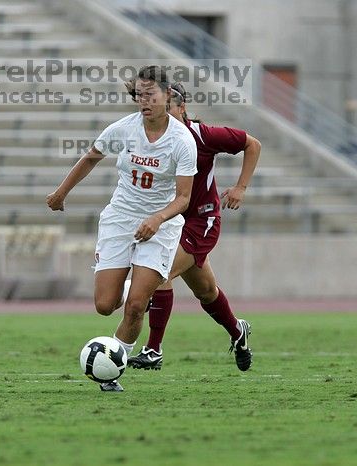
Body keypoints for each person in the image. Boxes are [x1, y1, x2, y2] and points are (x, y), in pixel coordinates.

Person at [46, 66, 197, 392]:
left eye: (150, 95)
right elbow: (90, 157)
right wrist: (61, 192)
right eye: (138, 95)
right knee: (104, 305)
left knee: (135, 308)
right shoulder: (124, 129)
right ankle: (137, 283)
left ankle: (111, 371)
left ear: (167, 95)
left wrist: (157, 219)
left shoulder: (182, 141)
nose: (143, 102)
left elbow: (184, 198)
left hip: (162, 225)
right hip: (120, 220)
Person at [123, 81, 262, 372]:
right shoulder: (155, 137)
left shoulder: (203, 135)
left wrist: (240, 187)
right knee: (207, 291)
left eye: (168, 107)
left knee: (160, 273)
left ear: (182, 107)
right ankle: (238, 332)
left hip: (201, 220)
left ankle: (153, 350)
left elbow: (252, 144)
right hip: (171, 221)